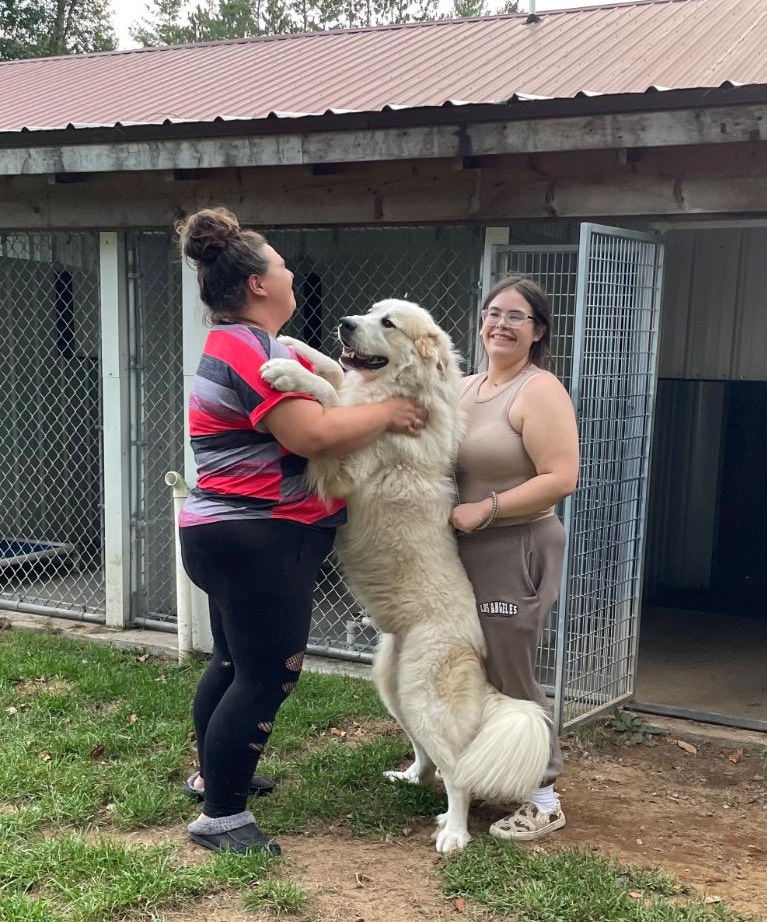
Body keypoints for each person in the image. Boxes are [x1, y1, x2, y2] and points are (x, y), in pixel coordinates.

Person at [176, 207, 426, 856]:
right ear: (258, 284)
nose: (290, 273)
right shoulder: (248, 345)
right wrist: (390, 411)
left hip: (223, 530)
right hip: (259, 535)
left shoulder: (241, 342)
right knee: (268, 675)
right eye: (282, 265)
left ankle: (215, 777)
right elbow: (308, 434)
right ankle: (221, 819)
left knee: (234, 662)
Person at [451, 275, 579, 841]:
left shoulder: (539, 389)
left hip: (516, 545)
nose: (500, 324)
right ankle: (492, 772)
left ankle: (544, 796)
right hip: (461, 551)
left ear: (538, 331)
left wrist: (488, 508)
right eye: (493, 312)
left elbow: (562, 477)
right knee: (471, 667)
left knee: (511, 669)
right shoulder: (464, 387)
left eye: (517, 317)